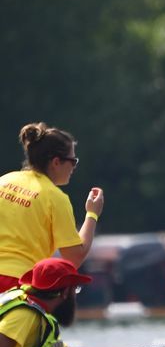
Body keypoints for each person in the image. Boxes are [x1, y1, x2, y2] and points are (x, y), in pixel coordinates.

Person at [0, 122, 105, 291]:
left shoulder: (4, 180)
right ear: (56, 162)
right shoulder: (55, 198)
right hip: (17, 283)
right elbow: (74, 258)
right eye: (73, 161)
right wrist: (92, 214)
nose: (74, 167)